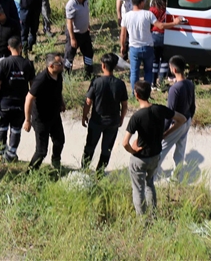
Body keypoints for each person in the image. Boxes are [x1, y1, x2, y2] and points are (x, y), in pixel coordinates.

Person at [122, 81, 187, 215]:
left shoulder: (137, 117)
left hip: (140, 159)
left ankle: (142, 220)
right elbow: (182, 119)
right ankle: (153, 214)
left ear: (136, 94)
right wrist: (165, 134)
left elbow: (125, 143)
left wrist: (133, 151)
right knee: (150, 184)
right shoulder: (160, 109)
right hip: (155, 156)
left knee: (138, 189)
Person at [120, 0, 181, 87]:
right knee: (148, 71)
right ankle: (146, 93)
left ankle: (134, 93)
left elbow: (123, 34)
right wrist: (175, 22)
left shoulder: (126, 16)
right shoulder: (148, 14)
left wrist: (123, 46)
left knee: (134, 73)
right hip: (147, 47)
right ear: (141, 3)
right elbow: (160, 25)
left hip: (134, 48)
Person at [81, 53, 128, 171]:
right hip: (113, 122)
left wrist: (84, 116)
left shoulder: (96, 82)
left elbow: (88, 102)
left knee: (90, 147)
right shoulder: (120, 84)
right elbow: (124, 105)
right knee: (107, 149)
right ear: (115, 66)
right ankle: (100, 173)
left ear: (103, 66)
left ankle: (84, 169)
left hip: (96, 121)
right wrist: (121, 118)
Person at [0, 36, 35, 161]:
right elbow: (32, 86)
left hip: (4, 104)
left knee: (1, 129)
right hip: (20, 105)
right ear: (21, 47)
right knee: (16, 130)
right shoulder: (27, 64)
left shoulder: (4, 63)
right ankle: (11, 154)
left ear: (9, 48)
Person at [23, 53, 66, 170]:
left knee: (60, 141)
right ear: (51, 66)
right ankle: (31, 171)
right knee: (41, 151)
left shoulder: (59, 75)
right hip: (41, 119)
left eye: (62, 62)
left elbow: (58, 90)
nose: (62, 65)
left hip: (54, 116)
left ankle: (56, 161)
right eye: (59, 63)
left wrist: (61, 102)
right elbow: (29, 98)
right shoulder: (41, 79)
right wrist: (27, 120)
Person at [158, 56, 196, 180]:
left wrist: (163, 131)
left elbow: (170, 113)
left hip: (177, 124)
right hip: (187, 120)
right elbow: (193, 106)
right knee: (180, 151)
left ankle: (152, 176)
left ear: (173, 69)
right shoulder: (190, 83)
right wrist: (189, 120)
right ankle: (176, 177)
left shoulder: (174, 89)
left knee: (162, 149)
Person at [64, 0, 94, 76]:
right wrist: (72, 38)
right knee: (70, 55)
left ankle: (88, 72)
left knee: (88, 52)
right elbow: (69, 22)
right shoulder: (71, 5)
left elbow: (85, 13)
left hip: (85, 32)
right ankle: (66, 73)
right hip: (74, 34)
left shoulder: (86, 0)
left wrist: (87, 24)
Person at [149, 0, 172, 88]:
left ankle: (153, 82)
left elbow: (149, 24)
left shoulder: (152, 10)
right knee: (164, 60)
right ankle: (161, 82)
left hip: (154, 36)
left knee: (154, 60)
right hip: (165, 36)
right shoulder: (168, 10)